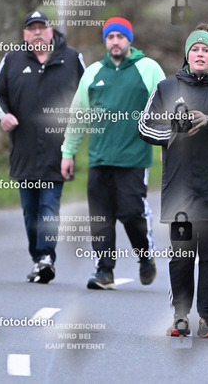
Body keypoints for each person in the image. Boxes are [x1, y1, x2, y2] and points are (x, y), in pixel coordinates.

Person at [138, 23, 208, 338]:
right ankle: (180, 316)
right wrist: (174, 129)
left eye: (206, 50)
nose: (200, 54)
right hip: (180, 190)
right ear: (187, 55)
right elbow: (144, 127)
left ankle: (207, 318)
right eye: (195, 49)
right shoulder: (166, 88)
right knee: (181, 256)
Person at [61, 17, 165, 289]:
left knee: (131, 212)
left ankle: (145, 256)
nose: (115, 42)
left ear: (129, 40)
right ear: (105, 41)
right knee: (100, 217)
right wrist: (68, 152)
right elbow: (78, 115)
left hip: (134, 158)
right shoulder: (94, 72)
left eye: (120, 36)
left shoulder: (148, 68)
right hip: (99, 158)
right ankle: (104, 271)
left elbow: (165, 109)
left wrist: (168, 145)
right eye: (110, 37)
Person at [0, 10, 86, 283]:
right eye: (32, 29)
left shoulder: (71, 58)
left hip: (59, 150)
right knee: (31, 211)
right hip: (24, 150)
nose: (38, 32)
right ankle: (38, 258)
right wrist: (3, 116)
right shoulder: (12, 59)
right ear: (25, 34)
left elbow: (90, 94)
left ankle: (46, 258)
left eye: (42, 27)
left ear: (51, 31)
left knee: (49, 207)